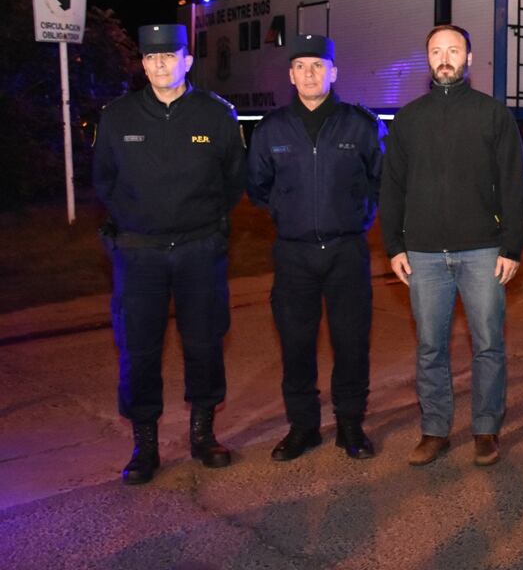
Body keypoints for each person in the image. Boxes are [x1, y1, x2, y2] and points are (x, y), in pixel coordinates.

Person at [93, 24, 246, 485]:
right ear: (142, 64)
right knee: (139, 350)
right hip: (140, 254)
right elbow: (103, 180)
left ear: (187, 61)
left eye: (170, 56)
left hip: (200, 249)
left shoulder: (216, 115)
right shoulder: (118, 117)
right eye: (151, 58)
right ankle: (145, 444)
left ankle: (203, 435)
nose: (160, 64)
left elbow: (232, 181)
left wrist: (203, 223)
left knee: (204, 342)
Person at [380, 24, 523, 467]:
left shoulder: (492, 114)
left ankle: (485, 429)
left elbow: (514, 183)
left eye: (454, 50)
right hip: (423, 254)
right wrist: (394, 244)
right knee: (430, 347)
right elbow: (392, 187)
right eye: (437, 51)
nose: (445, 58)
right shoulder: (408, 119)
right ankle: (435, 430)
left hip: (482, 251)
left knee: (487, 345)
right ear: (428, 59)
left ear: (469, 57)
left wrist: (512, 246)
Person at [247, 34, 385, 462]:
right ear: (291, 75)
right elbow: (257, 186)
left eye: (318, 65)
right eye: (302, 66)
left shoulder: (359, 124)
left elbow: (381, 179)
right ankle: (303, 427)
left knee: (351, 342)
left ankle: (349, 424)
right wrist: (289, 214)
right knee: (296, 343)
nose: (310, 73)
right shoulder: (271, 129)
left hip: (347, 252)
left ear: (334, 72)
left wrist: (359, 216)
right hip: (294, 255)